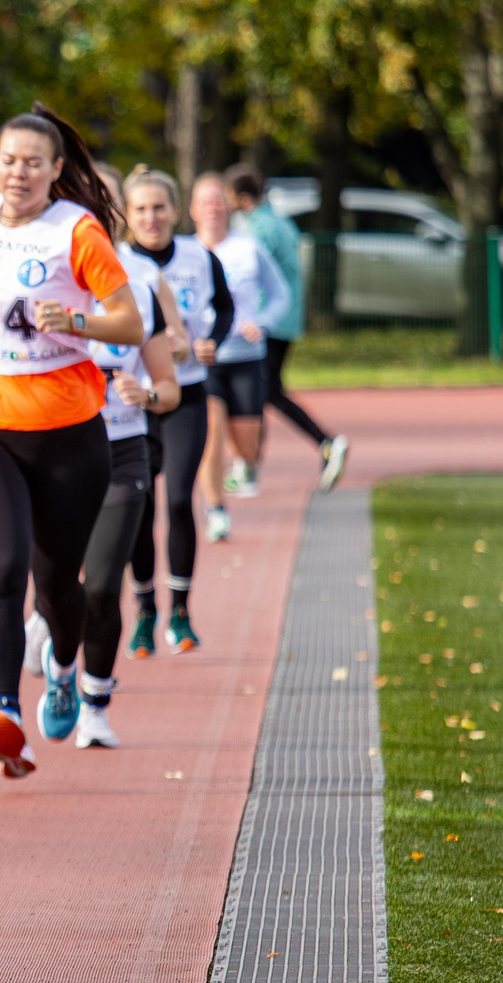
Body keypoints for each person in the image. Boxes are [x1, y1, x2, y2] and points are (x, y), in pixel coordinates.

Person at [0, 108, 144, 779]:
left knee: (57, 587)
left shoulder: (75, 231)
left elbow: (129, 322)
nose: (19, 172)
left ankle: (66, 670)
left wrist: (77, 318)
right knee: (3, 574)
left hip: (70, 433)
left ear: (54, 172)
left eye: (33, 162)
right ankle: (3, 713)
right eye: (8, 159)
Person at [22, 166, 185, 750]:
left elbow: (170, 384)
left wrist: (148, 394)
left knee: (102, 587)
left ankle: (93, 700)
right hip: (58, 451)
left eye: (104, 201)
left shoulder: (139, 282)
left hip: (121, 453)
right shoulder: (35, 274)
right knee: (56, 582)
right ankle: (53, 639)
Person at [117, 168, 231, 656]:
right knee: (138, 509)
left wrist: (211, 343)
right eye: (140, 208)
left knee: (180, 501)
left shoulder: (199, 257)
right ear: (126, 214)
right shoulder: (114, 262)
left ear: (176, 210)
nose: (151, 217)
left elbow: (224, 308)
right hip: (133, 404)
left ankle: (180, 611)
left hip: (185, 395)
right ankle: (145, 612)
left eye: (159, 207)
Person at [224, 165, 347, 492]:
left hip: (267, 323)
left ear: (243, 198)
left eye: (229, 196)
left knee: (262, 392)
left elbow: (250, 277)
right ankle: (252, 464)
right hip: (286, 319)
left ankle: (322, 443)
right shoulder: (280, 221)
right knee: (266, 391)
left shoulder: (258, 229)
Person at [188, 172, 289, 545]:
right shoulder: (186, 252)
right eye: (205, 202)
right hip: (205, 359)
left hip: (246, 356)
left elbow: (280, 294)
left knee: (246, 448)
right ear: (193, 209)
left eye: (218, 201)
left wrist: (261, 323)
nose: (213, 208)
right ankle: (215, 510)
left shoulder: (249, 249)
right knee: (211, 433)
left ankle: (240, 469)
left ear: (228, 206)